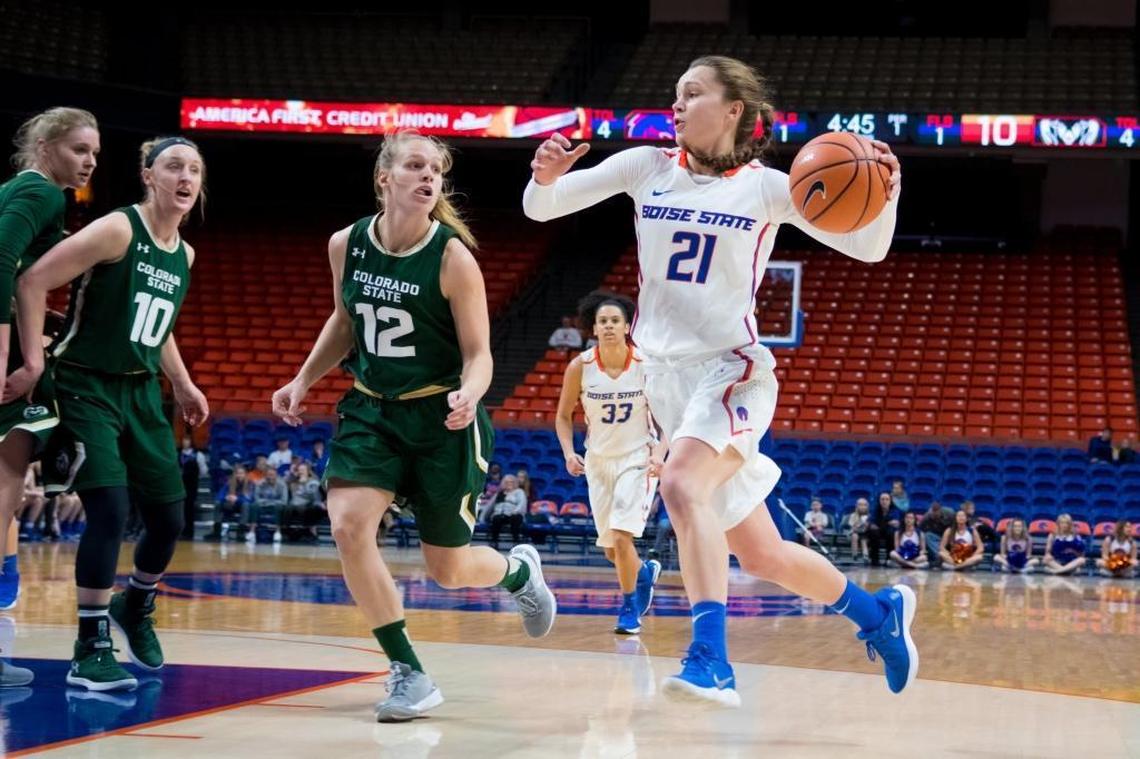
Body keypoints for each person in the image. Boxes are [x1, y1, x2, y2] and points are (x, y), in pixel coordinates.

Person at [523, 54, 912, 704]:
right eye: (675, 95)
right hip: (667, 387)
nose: (676, 105)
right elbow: (543, 210)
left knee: (679, 483)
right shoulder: (647, 168)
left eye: (693, 94)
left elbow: (868, 246)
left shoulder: (765, 188)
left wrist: (886, 193)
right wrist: (543, 179)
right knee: (761, 553)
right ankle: (879, 616)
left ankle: (711, 660)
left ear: (736, 110)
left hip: (732, 372)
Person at [271, 129, 556, 722]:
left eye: (437, 171)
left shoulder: (453, 257)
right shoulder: (344, 243)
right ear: (385, 178)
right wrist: (302, 380)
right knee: (348, 525)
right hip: (371, 409)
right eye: (416, 166)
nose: (430, 178)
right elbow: (345, 321)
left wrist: (470, 392)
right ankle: (407, 671)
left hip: (440, 418)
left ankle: (518, 571)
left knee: (447, 570)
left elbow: (480, 354)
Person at [9, 135, 208, 691]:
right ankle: (89, 647)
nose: (185, 177)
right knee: (110, 510)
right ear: (149, 175)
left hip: (142, 393)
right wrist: (32, 360)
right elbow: (31, 281)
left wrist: (183, 382)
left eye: (194, 169)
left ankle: (135, 605)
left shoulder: (184, 254)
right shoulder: (119, 228)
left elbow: (157, 326)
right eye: (173, 167)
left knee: (169, 516)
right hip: (84, 386)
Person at [0, 107, 99, 687]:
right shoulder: (41, 192)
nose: (89, 162)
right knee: (6, 482)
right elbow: (1, 261)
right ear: (44, 144)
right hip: (11, 360)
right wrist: (25, 354)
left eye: (95, 154)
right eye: (79, 149)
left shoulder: (25, 190)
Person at [555, 289, 664, 635]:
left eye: (615, 320)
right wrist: (569, 452)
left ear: (627, 325)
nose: (609, 326)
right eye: (603, 321)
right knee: (613, 552)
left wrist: (660, 454)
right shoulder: (580, 367)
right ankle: (644, 572)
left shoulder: (647, 365)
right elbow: (562, 416)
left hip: (637, 458)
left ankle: (630, 608)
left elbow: (667, 416)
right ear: (594, 328)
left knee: (620, 537)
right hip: (598, 462)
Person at [209, 463, 252, 540]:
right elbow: (219, 496)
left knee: (246, 505)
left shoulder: (249, 484)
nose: (239, 475)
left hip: (240, 506)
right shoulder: (228, 483)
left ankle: (240, 533)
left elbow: (249, 499)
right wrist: (226, 497)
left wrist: (237, 499)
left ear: (245, 474)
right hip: (229, 504)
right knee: (218, 503)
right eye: (237, 473)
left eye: (241, 473)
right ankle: (216, 531)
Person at [285, 461, 324, 543]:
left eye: (303, 469)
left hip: (309, 504)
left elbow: (314, 497)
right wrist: (292, 473)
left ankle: (308, 532)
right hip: (294, 504)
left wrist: (304, 484)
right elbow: (284, 482)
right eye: (299, 470)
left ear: (308, 471)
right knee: (287, 508)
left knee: (306, 509)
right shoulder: (294, 482)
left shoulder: (313, 482)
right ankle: (289, 532)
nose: (301, 471)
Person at [486, 474, 526, 550]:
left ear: (515, 483)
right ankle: (494, 542)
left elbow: (522, 504)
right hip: (501, 514)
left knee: (516, 518)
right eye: (507, 482)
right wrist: (483, 517)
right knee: (496, 518)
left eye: (511, 482)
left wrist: (515, 511)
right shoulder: (499, 493)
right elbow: (489, 506)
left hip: (514, 513)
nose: (509, 484)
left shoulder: (519, 492)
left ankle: (516, 542)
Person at [178, 434, 207, 540]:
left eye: (187, 440)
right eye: (183, 440)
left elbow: (204, 471)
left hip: (191, 486)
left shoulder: (198, 455)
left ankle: (189, 532)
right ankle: (179, 531)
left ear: (191, 442)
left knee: (189, 509)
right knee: (180, 509)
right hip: (179, 486)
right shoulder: (177, 454)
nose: (185, 442)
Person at [251, 466, 288, 542]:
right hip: (263, 507)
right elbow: (256, 498)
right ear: (265, 475)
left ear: (276, 475)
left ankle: (278, 532)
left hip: (275, 507)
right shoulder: (260, 483)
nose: (270, 477)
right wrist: (267, 502)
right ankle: (252, 532)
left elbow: (284, 501)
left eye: (272, 475)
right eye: (268, 475)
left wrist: (268, 502)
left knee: (279, 507)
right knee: (254, 506)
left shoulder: (282, 484)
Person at [868, 492, 900, 567]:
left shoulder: (895, 510)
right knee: (873, 532)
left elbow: (895, 523)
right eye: (882, 499)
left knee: (891, 533)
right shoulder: (875, 510)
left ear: (890, 501)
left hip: (888, 532)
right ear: (879, 501)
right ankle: (874, 559)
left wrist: (883, 523)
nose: (884, 501)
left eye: (887, 499)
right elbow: (871, 522)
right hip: (878, 531)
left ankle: (889, 559)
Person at [919, 501, 955, 568]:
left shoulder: (950, 513)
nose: (935, 516)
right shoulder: (927, 517)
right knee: (927, 535)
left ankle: (948, 558)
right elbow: (920, 530)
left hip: (949, 536)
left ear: (940, 511)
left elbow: (956, 526)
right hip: (937, 538)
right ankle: (939, 557)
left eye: (936, 515)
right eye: (933, 515)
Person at [846, 498, 871, 563]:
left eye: (864, 505)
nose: (862, 507)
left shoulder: (869, 516)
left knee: (863, 539)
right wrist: (860, 522)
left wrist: (866, 525)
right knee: (855, 536)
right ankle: (855, 555)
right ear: (856, 506)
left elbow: (869, 528)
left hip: (865, 534)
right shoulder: (853, 516)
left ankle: (865, 556)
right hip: (854, 533)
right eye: (860, 505)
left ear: (867, 506)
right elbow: (853, 527)